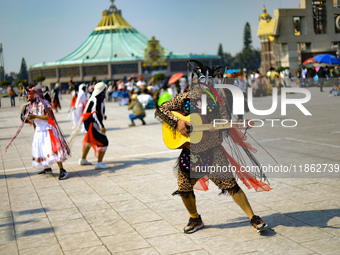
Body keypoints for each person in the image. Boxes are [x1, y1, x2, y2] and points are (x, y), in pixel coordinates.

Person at [155, 60, 271, 234]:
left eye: (207, 82)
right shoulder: (183, 98)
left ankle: (253, 217)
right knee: (184, 188)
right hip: (190, 151)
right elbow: (161, 110)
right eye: (200, 81)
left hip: (212, 150)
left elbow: (225, 121)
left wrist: (226, 125)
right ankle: (195, 218)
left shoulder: (218, 101)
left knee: (230, 185)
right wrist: (178, 121)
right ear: (193, 81)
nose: (204, 85)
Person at [4, 86, 71, 180]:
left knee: (53, 150)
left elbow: (49, 117)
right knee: (41, 150)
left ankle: (62, 170)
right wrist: (28, 118)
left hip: (47, 130)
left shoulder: (45, 104)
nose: (29, 96)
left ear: (37, 94)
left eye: (31, 93)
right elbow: (33, 119)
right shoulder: (32, 105)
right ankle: (47, 168)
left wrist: (35, 116)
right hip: (39, 131)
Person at [78, 82, 110, 169]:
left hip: (90, 123)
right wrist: (101, 126)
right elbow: (94, 114)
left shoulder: (94, 98)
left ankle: (83, 159)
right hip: (93, 124)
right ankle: (99, 163)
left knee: (88, 140)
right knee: (104, 142)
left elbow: (97, 111)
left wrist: (103, 115)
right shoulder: (97, 99)